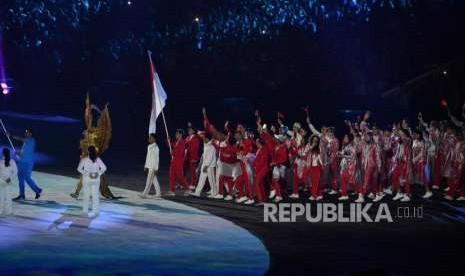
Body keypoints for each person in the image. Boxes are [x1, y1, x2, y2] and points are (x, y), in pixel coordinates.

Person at [12, 129, 42, 200]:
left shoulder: (32, 140)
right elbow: (23, 153)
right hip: (21, 162)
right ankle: (22, 195)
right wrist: (18, 153)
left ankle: (38, 190)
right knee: (20, 179)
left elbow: (21, 139)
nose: (26, 133)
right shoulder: (25, 143)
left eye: (27, 132)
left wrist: (11, 136)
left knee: (27, 178)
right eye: (25, 132)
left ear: (31, 134)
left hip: (28, 163)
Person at [77, 146, 106, 217]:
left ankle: (85, 211)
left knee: (86, 195)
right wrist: (98, 174)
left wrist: (86, 173)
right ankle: (96, 211)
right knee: (95, 195)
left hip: (87, 179)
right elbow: (104, 168)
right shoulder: (97, 159)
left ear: (88, 151)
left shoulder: (85, 159)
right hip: (96, 179)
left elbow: (79, 169)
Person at [191, 133, 217, 197]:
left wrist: (206, 166)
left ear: (208, 139)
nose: (203, 139)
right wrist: (197, 133)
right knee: (201, 179)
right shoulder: (206, 144)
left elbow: (210, 158)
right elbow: (201, 135)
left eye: (205, 138)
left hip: (209, 166)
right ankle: (197, 192)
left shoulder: (211, 147)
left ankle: (214, 193)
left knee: (212, 181)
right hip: (204, 165)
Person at [167, 129, 190, 196]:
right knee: (172, 175)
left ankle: (187, 189)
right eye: (176, 133)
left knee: (180, 176)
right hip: (174, 160)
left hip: (179, 161)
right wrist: (168, 140)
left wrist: (173, 153)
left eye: (177, 134)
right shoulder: (176, 142)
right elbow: (171, 146)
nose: (176, 135)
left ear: (180, 135)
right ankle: (172, 190)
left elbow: (180, 152)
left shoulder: (183, 142)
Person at [140, 133, 161, 199]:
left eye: (150, 137)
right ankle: (158, 193)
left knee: (149, 181)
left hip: (153, 167)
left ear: (154, 139)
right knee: (154, 180)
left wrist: (156, 168)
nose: (149, 139)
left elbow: (157, 159)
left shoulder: (156, 148)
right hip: (149, 166)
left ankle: (144, 194)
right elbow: (147, 157)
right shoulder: (149, 146)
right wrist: (145, 165)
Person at [0, 148, 17, 215]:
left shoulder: (1, 161)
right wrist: (10, 178)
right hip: (7, 181)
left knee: (1, 197)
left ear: (3, 153)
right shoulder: (12, 161)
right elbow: (15, 172)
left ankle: (0, 211)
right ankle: (8, 211)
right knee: (8, 197)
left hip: (1, 181)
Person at [307, 135, 323, 201]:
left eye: (316, 140)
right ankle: (319, 194)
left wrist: (322, 165)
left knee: (315, 182)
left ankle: (314, 195)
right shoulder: (309, 146)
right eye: (314, 140)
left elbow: (319, 157)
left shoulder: (319, 147)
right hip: (310, 166)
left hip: (317, 167)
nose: (315, 141)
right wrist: (312, 146)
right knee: (315, 181)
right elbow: (306, 153)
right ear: (312, 140)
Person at [186, 123, 200, 190]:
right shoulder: (188, 137)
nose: (189, 131)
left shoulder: (196, 138)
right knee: (188, 171)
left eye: (191, 130)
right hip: (187, 156)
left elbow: (195, 149)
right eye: (189, 130)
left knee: (193, 171)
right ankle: (183, 183)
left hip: (192, 157)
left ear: (194, 131)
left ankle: (193, 184)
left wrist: (194, 158)